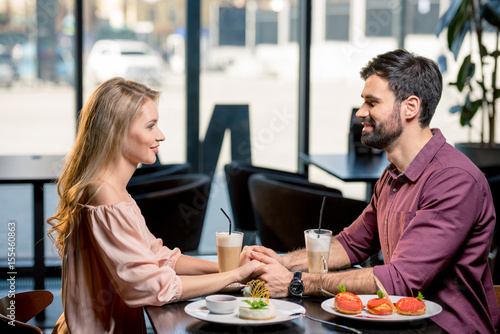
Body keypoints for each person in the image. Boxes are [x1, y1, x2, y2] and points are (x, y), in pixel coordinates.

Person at [243, 49, 500, 333]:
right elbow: (350, 245)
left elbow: (401, 281)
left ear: (410, 107)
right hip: (400, 325)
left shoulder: (454, 180)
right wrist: (279, 261)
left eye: (372, 102)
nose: (360, 113)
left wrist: (298, 281)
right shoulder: (392, 174)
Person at [47, 77, 261, 333]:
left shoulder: (114, 192)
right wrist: (234, 276)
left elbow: (158, 258)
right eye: (150, 126)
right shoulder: (103, 194)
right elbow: (148, 285)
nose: (161, 135)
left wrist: (230, 266)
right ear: (116, 132)